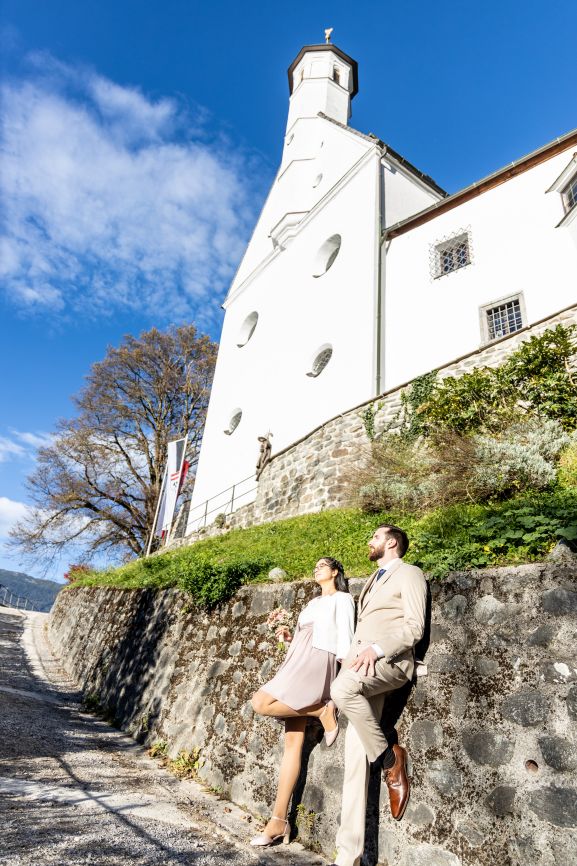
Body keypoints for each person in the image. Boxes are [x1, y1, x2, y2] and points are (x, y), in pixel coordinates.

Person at [328, 524, 427, 866]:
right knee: (354, 762)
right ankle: (348, 855)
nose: (369, 541)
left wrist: (378, 648)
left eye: (375, 536)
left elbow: (415, 627)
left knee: (340, 689)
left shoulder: (410, 574)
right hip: (361, 666)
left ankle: (389, 760)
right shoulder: (371, 580)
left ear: (392, 541)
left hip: (390, 664)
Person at [249, 557, 355, 847]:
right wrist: (285, 635)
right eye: (315, 565)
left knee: (260, 702)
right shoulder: (310, 604)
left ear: (335, 572)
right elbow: (300, 637)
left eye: (323, 565)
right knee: (292, 746)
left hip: (319, 659)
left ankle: (322, 708)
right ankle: (278, 821)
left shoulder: (344, 599)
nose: (316, 568)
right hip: (295, 660)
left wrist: (335, 692)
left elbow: (345, 642)